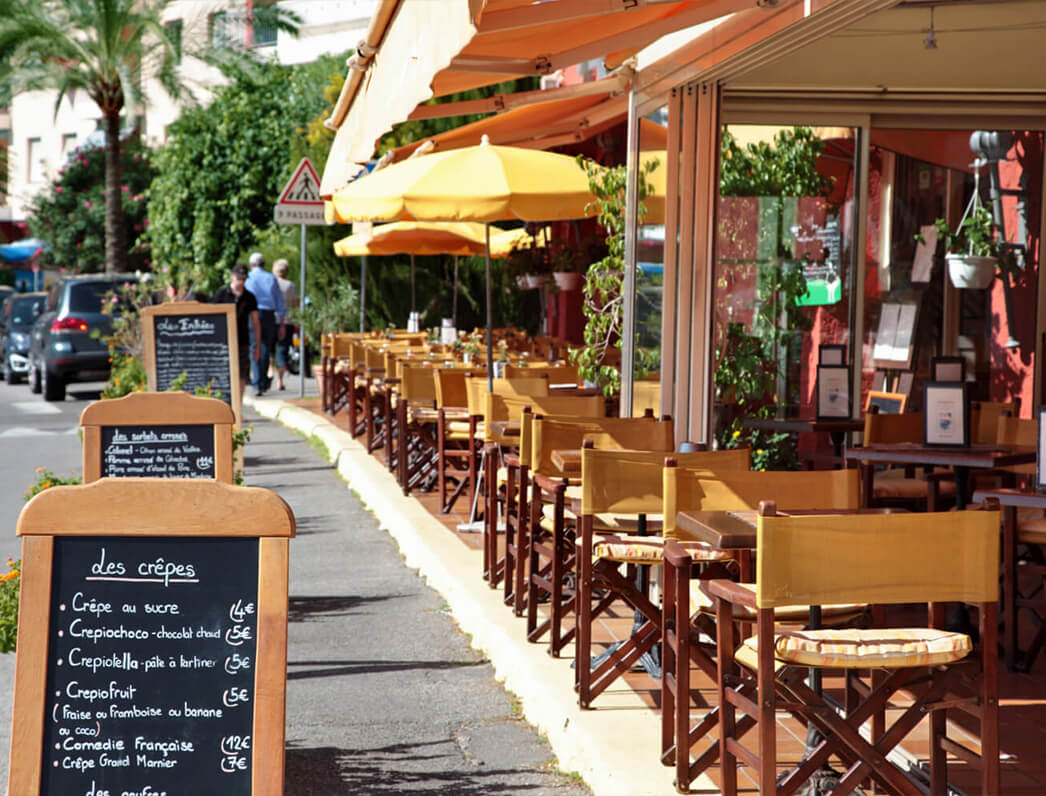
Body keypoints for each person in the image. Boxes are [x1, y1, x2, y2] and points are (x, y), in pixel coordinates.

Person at [213, 264, 261, 404]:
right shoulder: (221, 294)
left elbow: (256, 322)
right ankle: (224, 406)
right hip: (222, 342)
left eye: (244, 278)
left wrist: (257, 345)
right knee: (223, 375)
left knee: (241, 375)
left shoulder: (249, 297)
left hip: (242, 341)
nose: (242, 281)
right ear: (233, 276)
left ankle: (237, 408)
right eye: (239, 278)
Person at [245, 251, 285, 395]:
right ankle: (262, 381)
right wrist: (282, 323)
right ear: (264, 264)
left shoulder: (248, 278)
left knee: (255, 347)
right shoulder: (271, 278)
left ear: (251, 265)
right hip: (268, 315)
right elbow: (279, 301)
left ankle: (257, 381)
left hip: (253, 315)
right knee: (266, 348)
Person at [271, 258, 299, 391]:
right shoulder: (291, 286)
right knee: (282, 350)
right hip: (287, 321)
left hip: (271, 319)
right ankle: (280, 380)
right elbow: (295, 304)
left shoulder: (271, 283)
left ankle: (270, 370)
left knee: (270, 348)